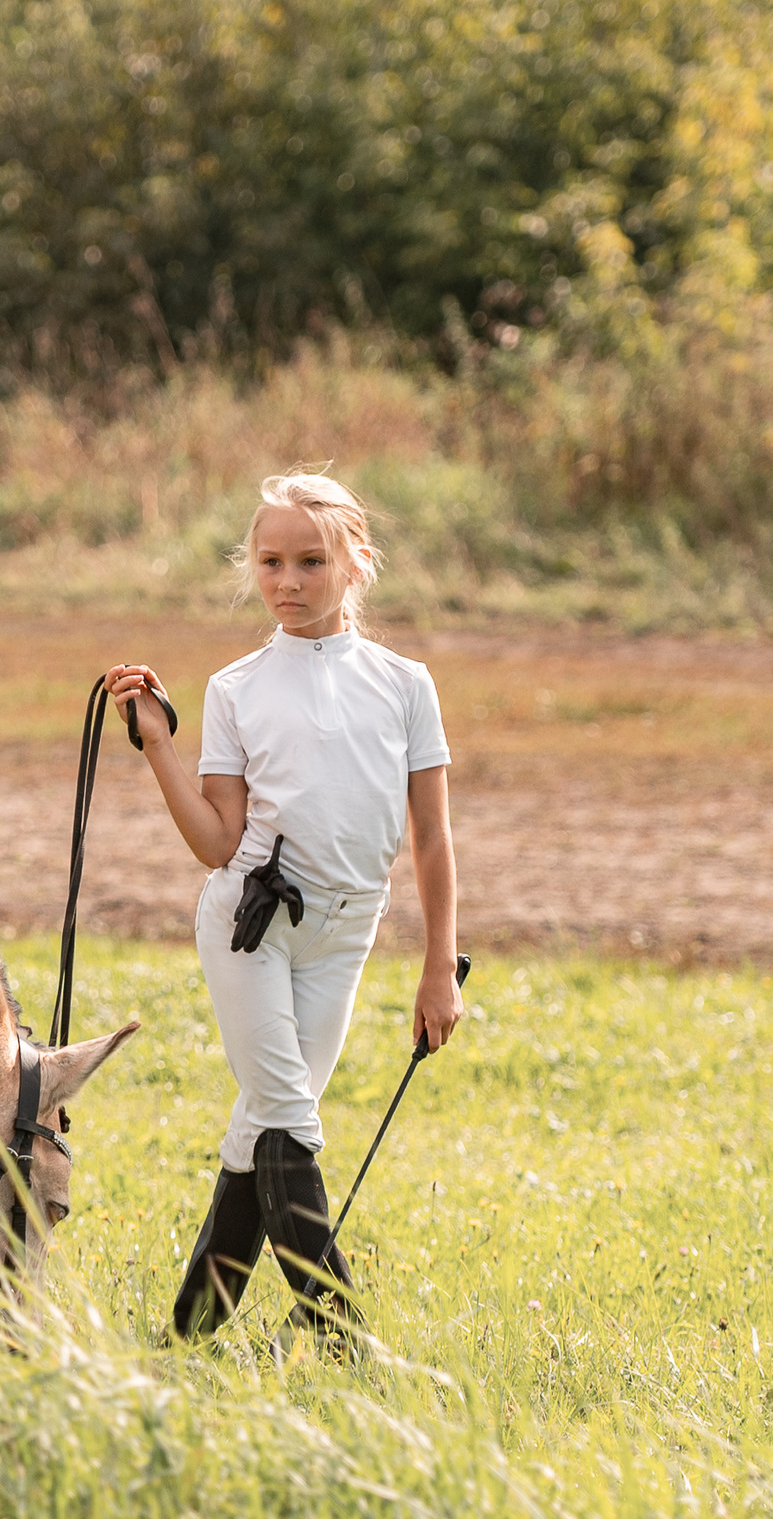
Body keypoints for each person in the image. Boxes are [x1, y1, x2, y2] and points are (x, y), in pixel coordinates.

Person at [102, 471, 462, 1339]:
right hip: (249, 928)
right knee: (292, 1122)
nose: (288, 580)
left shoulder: (406, 684)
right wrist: (156, 746)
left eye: (310, 560)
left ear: (357, 563)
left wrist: (437, 968)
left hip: (346, 935)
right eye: (271, 562)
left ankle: (187, 1335)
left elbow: (432, 839)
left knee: (259, 1130)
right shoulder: (235, 689)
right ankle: (347, 1338)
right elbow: (218, 843)